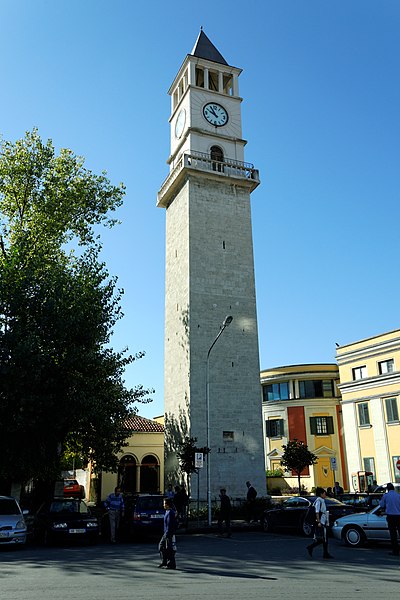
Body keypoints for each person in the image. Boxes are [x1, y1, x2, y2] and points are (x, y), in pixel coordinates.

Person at [306, 487, 333, 559]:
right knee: (323, 538)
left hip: (323, 521)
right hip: (320, 522)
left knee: (324, 538)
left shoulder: (322, 500)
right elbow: (317, 512)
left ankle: (325, 553)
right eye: (324, 493)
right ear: (321, 494)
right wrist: (318, 522)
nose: (325, 495)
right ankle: (311, 547)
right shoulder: (319, 501)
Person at [379, 482, 400, 556]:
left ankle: (395, 551)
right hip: (399, 516)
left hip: (391, 517)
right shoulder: (398, 496)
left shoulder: (386, 496)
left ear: (387, 489)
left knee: (393, 534)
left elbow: (381, 505)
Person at [158, 498, 177, 569]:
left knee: (167, 548)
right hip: (166, 532)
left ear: (167, 505)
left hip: (168, 533)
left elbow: (169, 525)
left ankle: (171, 564)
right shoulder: (167, 511)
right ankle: (165, 562)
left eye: (164, 503)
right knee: (164, 548)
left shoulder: (170, 513)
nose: (163, 505)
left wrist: (167, 534)